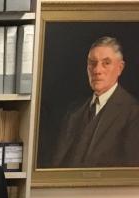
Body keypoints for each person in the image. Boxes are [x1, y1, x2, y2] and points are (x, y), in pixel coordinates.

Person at [49, 36, 139, 168]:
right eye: (92, 63)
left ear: (120, 68)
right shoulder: (74, 111)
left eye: (106, 63)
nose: (97, 70)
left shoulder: (133, 112)